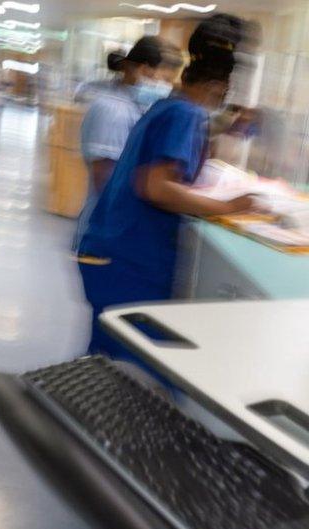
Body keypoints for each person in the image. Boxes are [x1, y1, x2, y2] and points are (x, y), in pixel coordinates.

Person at [76, 14, 260, 360]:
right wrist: (229, 207)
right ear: (219, 87)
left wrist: (220, 130)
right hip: (129, 260)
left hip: (109, 251)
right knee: (127, 368)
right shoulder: (185, 115)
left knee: (106, 358)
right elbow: (156, 187)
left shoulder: (169, 106)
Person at [75, 37, 171, 246]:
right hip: (104, 230)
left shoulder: (134, 105)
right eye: (155, 77)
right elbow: (105, 179)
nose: (159, 85)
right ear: (142, 69)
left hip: (116, 227)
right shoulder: (112, 110)